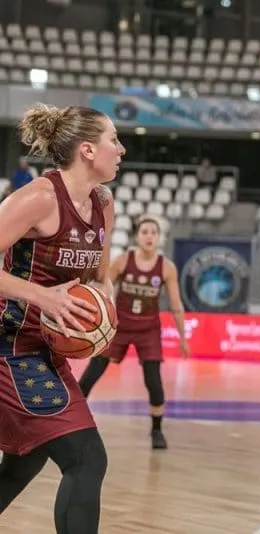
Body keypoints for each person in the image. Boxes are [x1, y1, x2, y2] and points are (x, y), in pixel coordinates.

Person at [0, 103, 124, 533]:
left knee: (24, 462)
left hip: (45, 351)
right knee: (86, 458)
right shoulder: (38, 197)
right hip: (10, 346)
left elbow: (98, 278)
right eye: (113, 140)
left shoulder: (103, 204)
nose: (121, 149)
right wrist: (41, 297)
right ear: (87, 150)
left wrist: (101, 314)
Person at [78, 215, 189, 449]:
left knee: (154, 382)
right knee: (92, 373)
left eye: (153, 232)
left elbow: (177, 305)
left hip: (148, 329)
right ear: (137, 236)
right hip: (120, 325)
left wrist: (183, 337)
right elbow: (103, 287)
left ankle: (157, 430)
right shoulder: (122, 261)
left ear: (159, 238)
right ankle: (70, 421)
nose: (149, 236)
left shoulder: (166, 268)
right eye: (145, 231)